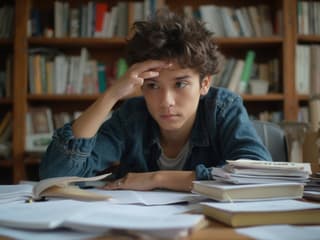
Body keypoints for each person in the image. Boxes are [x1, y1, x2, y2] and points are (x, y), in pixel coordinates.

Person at [40, 10, 271, 192]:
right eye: (152, 86)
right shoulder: (132, 115)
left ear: (204, 84)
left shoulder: (222, 107)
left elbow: (255, 173)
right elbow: (56, 175)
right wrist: (112, 95)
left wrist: (158, 178)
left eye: (180, 84)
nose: (166, 101)